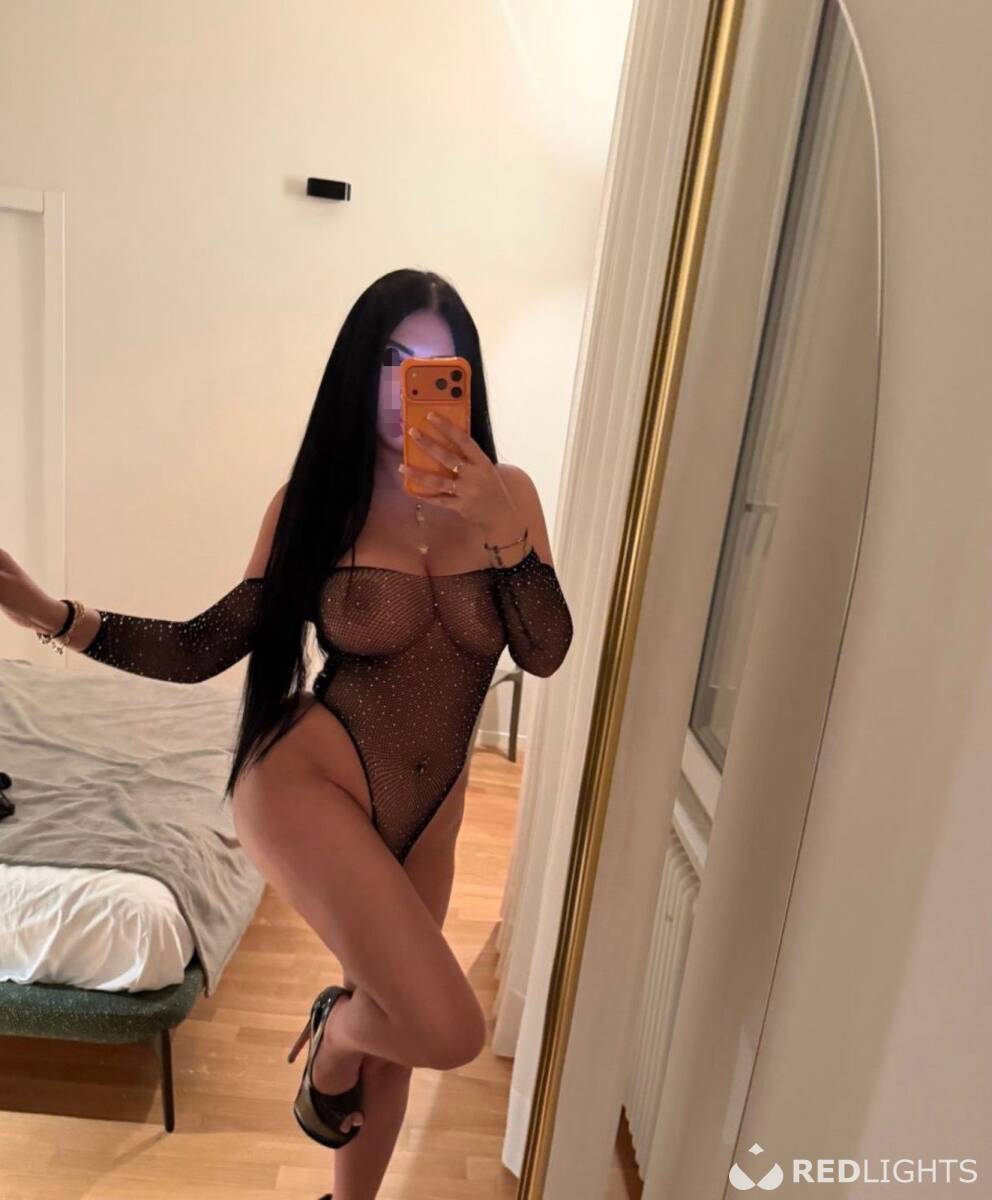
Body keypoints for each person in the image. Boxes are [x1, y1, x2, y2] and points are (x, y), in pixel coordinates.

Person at [0, 268, 573, 1200]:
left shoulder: (508, 497)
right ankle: (336, 1030)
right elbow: (205, 646)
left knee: (401, 1038)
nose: (411, 387)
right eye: (392, 360)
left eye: (438, 365)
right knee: (446, 1028)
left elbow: (545, 653)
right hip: (311, 786)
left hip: (432, 816)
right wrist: (50, 614)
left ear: (465, 380)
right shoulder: (316, 502)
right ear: (359, 369)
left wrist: (504, 534)